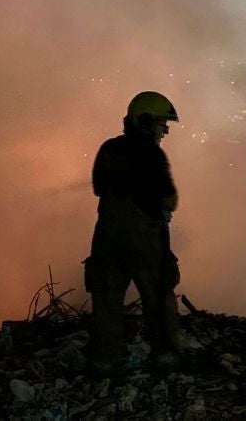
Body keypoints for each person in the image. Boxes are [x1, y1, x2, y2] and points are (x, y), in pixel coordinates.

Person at [84, 91, 183, 373]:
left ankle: (105, 360)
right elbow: (168, 199)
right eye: (161, 123)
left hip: (106, 238)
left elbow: (98, 189)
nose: (164, 130)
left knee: (106, 301)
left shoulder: (108, 149)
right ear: (145, 120)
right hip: (144, 240)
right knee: (159, 296)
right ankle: (165, 357)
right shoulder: (152, 154)